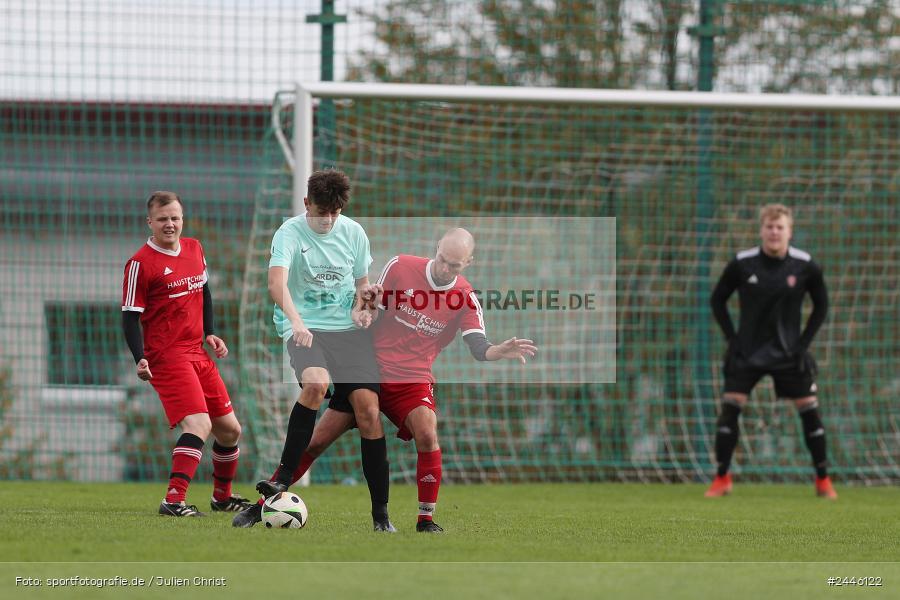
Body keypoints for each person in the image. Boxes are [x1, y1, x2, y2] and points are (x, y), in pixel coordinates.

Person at [233, 228, 537, 531]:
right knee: (316, 443)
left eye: (454, 265)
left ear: (468, 263)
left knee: (427, 432)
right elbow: (371, 309)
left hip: (412, 381)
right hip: (369, 371)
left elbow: (479, 347)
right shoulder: (401, 266)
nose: (445, 268)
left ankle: (425, 520)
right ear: (437, 248)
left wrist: (498, 351)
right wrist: (366, 313)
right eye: (442, 259)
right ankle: (258, 507)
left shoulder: (466, 298)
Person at [252, 169, 394, 532]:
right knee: (315, 385)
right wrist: (296, 321)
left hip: (347, 333)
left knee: (369, 412)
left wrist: (364, 310)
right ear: (306, 203)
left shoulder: (354, 233)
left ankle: (381, 517)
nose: (328, 220)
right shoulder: (289, 232)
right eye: (321, 212)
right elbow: (276, 284)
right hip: (305, 328)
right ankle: (283, 479)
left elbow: (362, 287)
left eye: (335, 212)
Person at [122, 191, 253, 517]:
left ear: (182, 219)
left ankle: (222, 498)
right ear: (149, 222)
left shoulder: (194, 248)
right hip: (167, 357)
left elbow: (204, 291)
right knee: (198, 424)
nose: (169, 224)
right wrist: (139, 357)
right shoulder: (140, 264)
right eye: (162, 219)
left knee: (230, 430)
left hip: (197, 352)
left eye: (175, 218)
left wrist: (210, 332)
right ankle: (174, 500)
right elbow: (129, 317)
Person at [706, 203, 835, 499]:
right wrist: (732, 339)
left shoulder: (805, 265)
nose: (774, 232)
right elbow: (717, 300)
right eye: (769, 227)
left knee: (810, 410)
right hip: (748, 351)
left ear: (790, 232)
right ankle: (722, 477)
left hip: (789, 352)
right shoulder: (742, 263)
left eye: (780, 227)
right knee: (730, 408)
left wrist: (803, 344)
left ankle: (823, 480)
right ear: (761, 230)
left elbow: (822, 305)